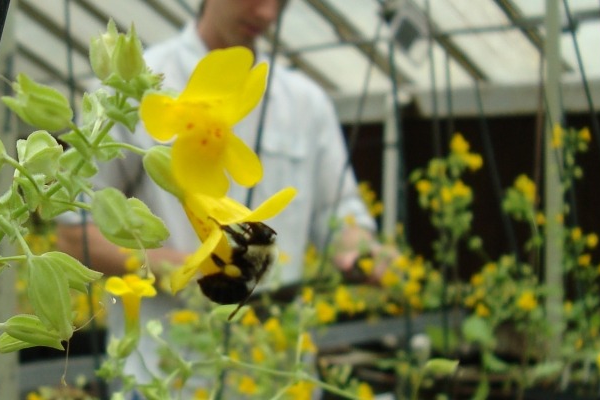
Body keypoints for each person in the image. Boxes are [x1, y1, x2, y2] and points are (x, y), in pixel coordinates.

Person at [56, 0, 389, 384]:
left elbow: (341, 208)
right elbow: (74, 232)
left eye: (280, 2)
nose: (267, 13)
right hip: (166, 375)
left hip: (275, 374)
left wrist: (357, 246)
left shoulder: (306, 103)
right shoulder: (133, 88)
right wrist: (195, 268)